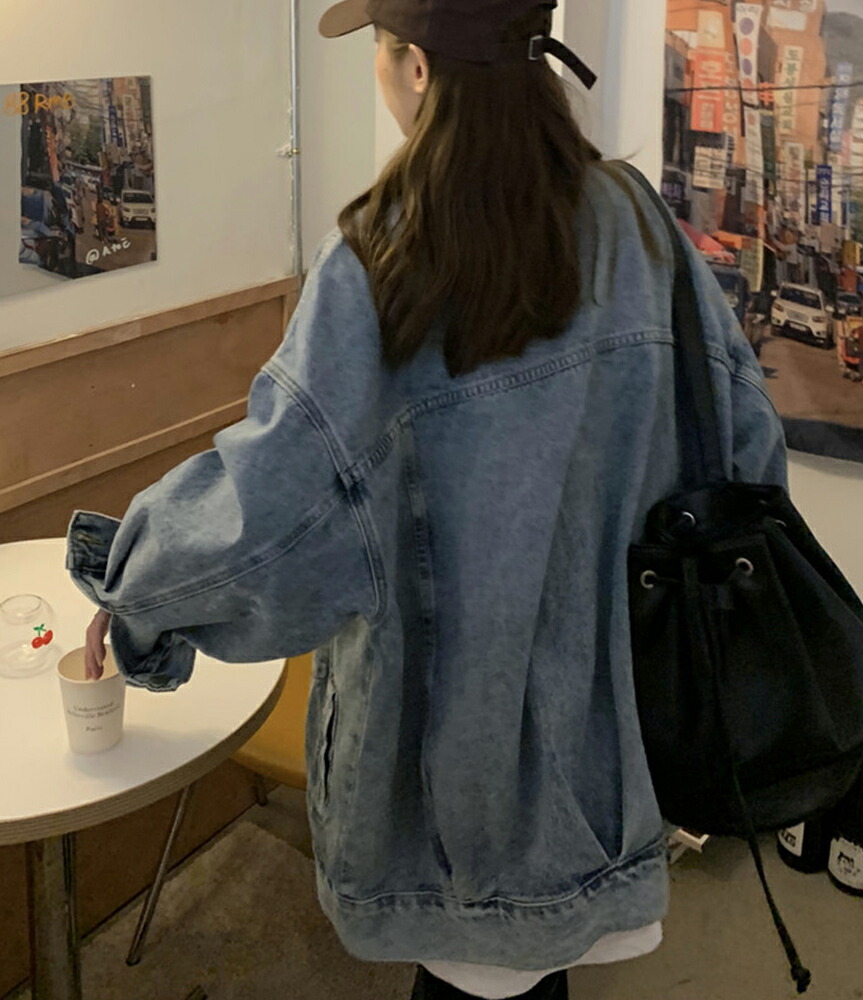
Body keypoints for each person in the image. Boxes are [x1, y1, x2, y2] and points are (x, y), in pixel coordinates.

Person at [69, 2, 787, 999]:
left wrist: (134, 579)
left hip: (455, 776)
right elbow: (749, 451)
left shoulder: (383, 261)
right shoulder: (638, 225)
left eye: (377, 49)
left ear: (414, 67)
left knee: (476, 981)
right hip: (617, 749)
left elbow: (270, 515)